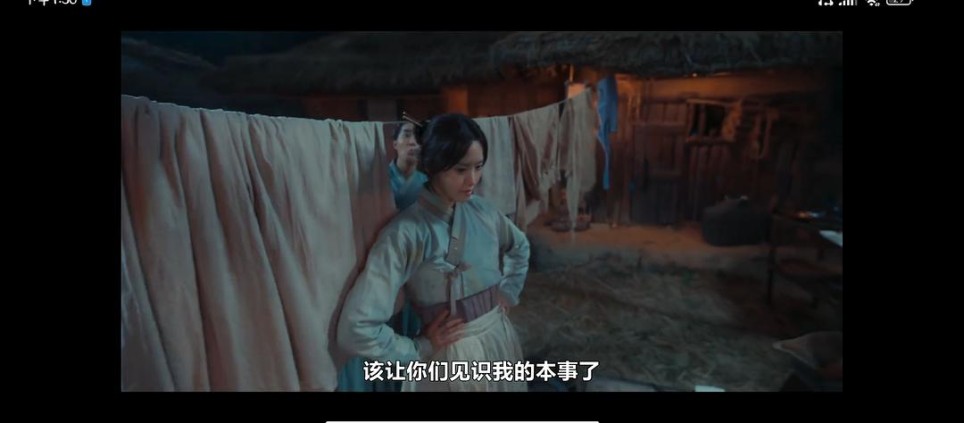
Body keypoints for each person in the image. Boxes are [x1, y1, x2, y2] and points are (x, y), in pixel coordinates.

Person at [337, 113, 530, 392]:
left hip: (497, 339)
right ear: (435, 166)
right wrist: (419, 347)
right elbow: (355, 328)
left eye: (478, 167)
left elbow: (520, 247)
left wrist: (508, 291)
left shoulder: (484, 211)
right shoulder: (405, 233)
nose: (472, 180)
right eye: (461, 170)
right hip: (447, 355)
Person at [388, 121, 429, 210]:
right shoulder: (380, 177)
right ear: (395, 144)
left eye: (418, 138)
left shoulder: (427, 182)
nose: (413, 142)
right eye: (407, 135)